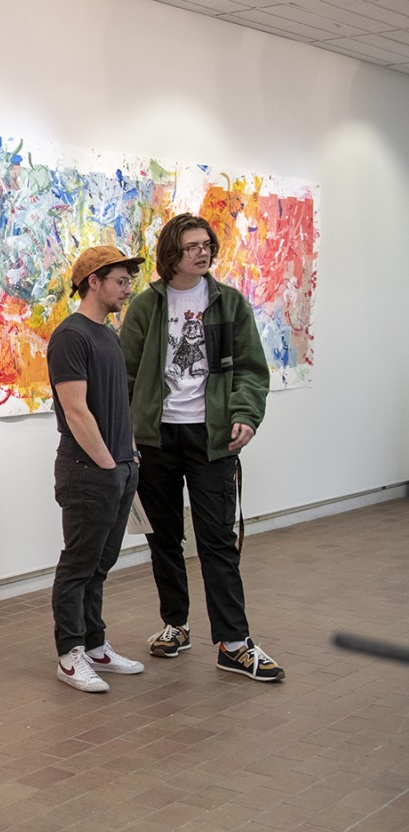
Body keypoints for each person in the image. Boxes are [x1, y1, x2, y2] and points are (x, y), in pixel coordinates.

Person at [120, 214, 283, 682]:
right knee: (163, 538)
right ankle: (175, 624)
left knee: (217, 541)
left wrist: (245, 415)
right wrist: (129, 429)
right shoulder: (146, 308)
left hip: (211, 438)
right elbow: (126, 377)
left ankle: (233, 643)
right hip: (157, 438)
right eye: (192, 245)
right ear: (172, 252)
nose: (202, 251)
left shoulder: (228, 303)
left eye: (207, 243)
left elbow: (252, 370)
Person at [46, 246, 149, 692]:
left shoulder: (106, 334)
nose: (127, 290)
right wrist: (107, 464)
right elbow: (76, 410)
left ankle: (94, 644)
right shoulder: (72, 336)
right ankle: (70, 655)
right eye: (121, 281)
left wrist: (128, 456)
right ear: (94, 281)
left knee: (100, 564)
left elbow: (115, 404)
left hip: (119, 467)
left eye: (128, 282)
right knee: (78, 563)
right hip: (89, 470)